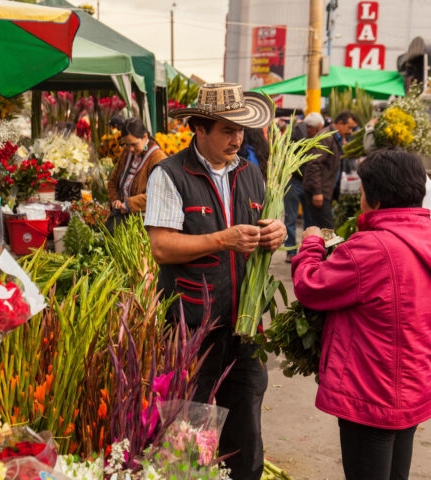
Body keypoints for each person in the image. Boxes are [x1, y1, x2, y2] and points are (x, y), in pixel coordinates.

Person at [144, 83, 286, 480]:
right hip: (192, 329)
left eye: (240, 129)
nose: (237, 138)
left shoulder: (250, 171)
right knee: (188, 434)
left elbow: (265, 231)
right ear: (199, 129)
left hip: (245, 329)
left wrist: (276, 233)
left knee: (246, 438)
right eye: (227, 129)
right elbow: (161, 247)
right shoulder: (169, 175)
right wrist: (223, 239)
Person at [292, 147, 431, 480]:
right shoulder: (424, 236)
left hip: (371, 393)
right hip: (412, 388)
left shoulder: (372, 247)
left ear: (376, 200)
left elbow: (311, 286)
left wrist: (311, 244)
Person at [105, 117, 166, 233]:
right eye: (126, 145)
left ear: (145, 137)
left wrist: (129, 204)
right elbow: (113, 181)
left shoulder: (157, 158)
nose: (130, 149)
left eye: (134, 144)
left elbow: (159, 195)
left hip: (145, 225)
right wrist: (116, 200)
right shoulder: (126, 153)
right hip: (123, 221)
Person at [302, 110, 358, 228]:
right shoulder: (326, 137)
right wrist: (317, 192)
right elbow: (314, 164)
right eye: (349, 128)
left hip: (326, 190)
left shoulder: (335, 138)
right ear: (340, 123)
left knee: (320, 226)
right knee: (326, 228)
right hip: (319, 192)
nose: (350, 132)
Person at [283, 112, 325, 263]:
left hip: (295, 181)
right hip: (299, 182)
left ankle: (291, 252)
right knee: (306, 220)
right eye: (319, 129)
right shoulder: (303, 137)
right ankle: (304, 251)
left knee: (291, 218)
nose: (320, 133)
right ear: (312, 128)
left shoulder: (294, 133)